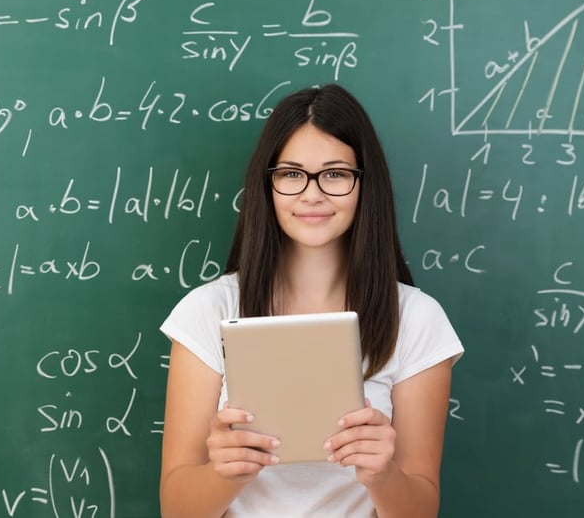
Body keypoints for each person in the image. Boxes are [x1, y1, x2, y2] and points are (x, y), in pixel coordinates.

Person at [159, 83, 464, 517]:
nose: (312, 193)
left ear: (364, 185)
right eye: (291, 174)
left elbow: (421, 509)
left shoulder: (416, 319)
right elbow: (175, 508)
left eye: (336, 174)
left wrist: (382, 475)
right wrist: (226, 473)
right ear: (268, 184)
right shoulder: (209, 311)